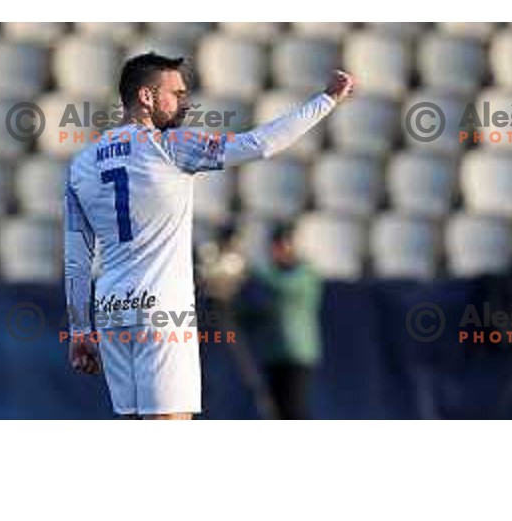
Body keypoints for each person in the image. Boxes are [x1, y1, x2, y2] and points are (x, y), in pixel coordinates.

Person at [64, 51, 354, 420]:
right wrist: (325, 101)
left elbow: (76, 257)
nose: (185, 102)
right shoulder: (168, 145)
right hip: (163, 311)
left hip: (111, 311)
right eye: (177, 94)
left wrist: (78, 330)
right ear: (146, 97)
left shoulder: (82, 164)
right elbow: (259, 144)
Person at [237, 223, 324, 419]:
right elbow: (260, 314)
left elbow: (286, 287)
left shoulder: (306, 274)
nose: (279, 250)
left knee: (294, 409)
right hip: (272, 355)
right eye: (276, 245)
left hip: (297, 355)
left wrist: (250, 269)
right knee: (276, 412)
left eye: (283, 244)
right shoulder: (271, 277)